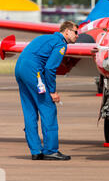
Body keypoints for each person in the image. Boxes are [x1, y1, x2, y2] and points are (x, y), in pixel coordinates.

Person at [15, 21, 78, 160]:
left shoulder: (47, 38)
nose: (77, 35)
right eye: (75, 32)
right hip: (32, 71)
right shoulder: (61, 44)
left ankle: (36, 150)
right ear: (66, 31)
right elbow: (50, 68)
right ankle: (50, 150)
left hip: (20, 68)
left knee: (30, 110)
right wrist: (52, 91)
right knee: (48, 107)